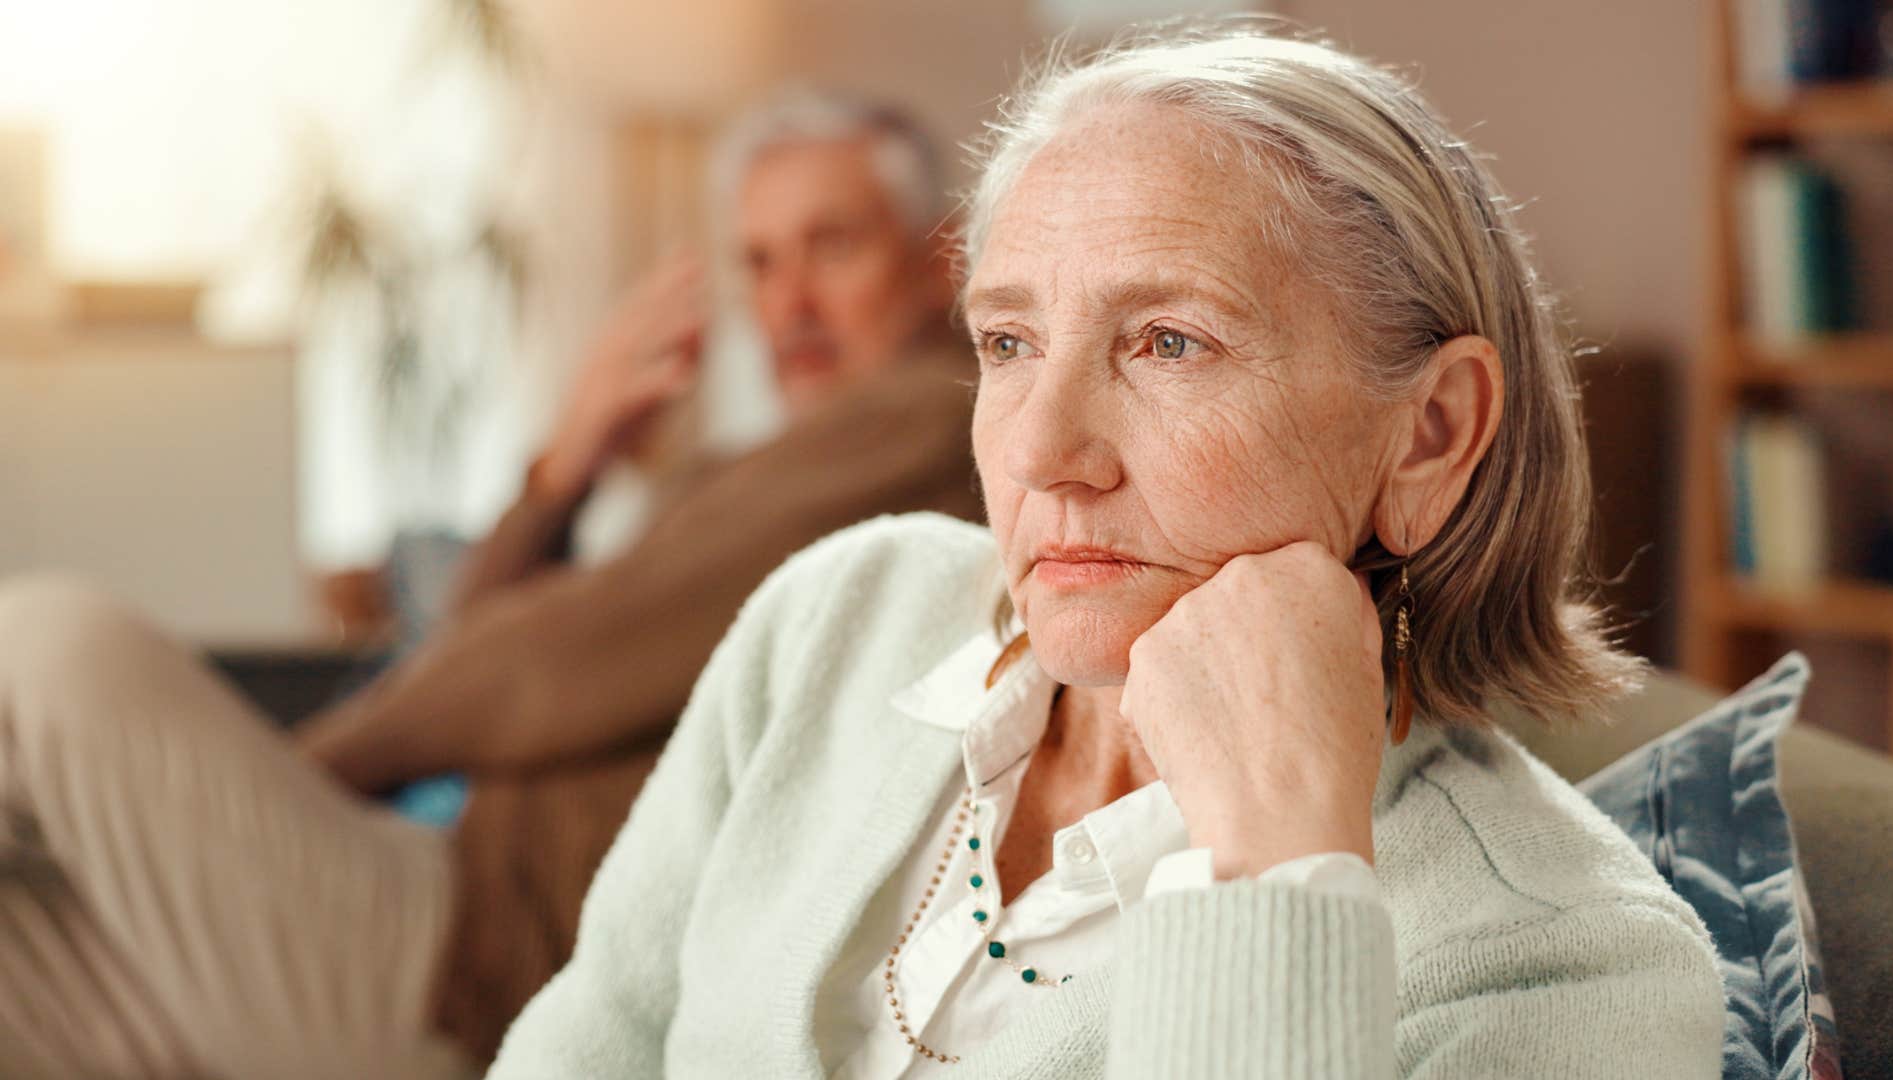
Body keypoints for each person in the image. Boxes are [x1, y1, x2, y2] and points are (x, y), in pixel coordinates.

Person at [489, 25, 1727, 1079]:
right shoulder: (834, 614)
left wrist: (1275, 870)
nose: (1041, 452)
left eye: (1168, 343)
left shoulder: (1573, 969)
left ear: (1430, 433)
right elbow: (591, 1038)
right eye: (1010, 344)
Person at [0, 94, 979, 1078]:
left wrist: (291, 777)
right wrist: (565, 469)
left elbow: (549, 663)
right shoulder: (756, 463)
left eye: (832, 248)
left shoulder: (925, 424)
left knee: (49, 646)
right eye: (760, 263)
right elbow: (477, 651)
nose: (789, 305)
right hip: (437, 913)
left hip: (466, 964)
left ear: (941, 258)